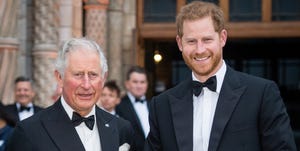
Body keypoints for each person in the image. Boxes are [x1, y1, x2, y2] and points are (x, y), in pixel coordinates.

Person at [144, 1, 297, 151]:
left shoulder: (262, 94)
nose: (200, 49)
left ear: (222, 38)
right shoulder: (161, 105)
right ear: (180, 43)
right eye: (191, 41)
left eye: (207, 39)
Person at [6, 38, 134, 151]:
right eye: (78, 74)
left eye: (93, 75)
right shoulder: (29, 132)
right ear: (59, 77)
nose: (86, 85)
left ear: (103, 78)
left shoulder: (121, 128)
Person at [116, 66, 150, 151]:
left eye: (142, 82)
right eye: (135, 82)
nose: (139, 86)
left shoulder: (153, 105)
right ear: (127, 84)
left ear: (147, 84)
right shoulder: (118, 106)